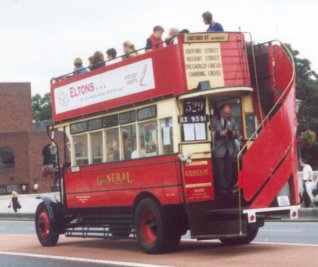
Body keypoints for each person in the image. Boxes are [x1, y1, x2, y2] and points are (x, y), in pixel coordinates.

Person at [211, 104, 239, 197]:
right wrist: (219, 133)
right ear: (220, 111)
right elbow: (208, 133)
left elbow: (237, 132)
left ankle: (229, 189)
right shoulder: (213, 120)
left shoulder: (232, 120)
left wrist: (234, 133)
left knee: (228, 171)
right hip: (218, 150)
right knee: (220, 172)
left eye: (228, 114)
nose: (227, 115)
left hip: (229, 150)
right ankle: (223, 191)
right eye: (225, 113)